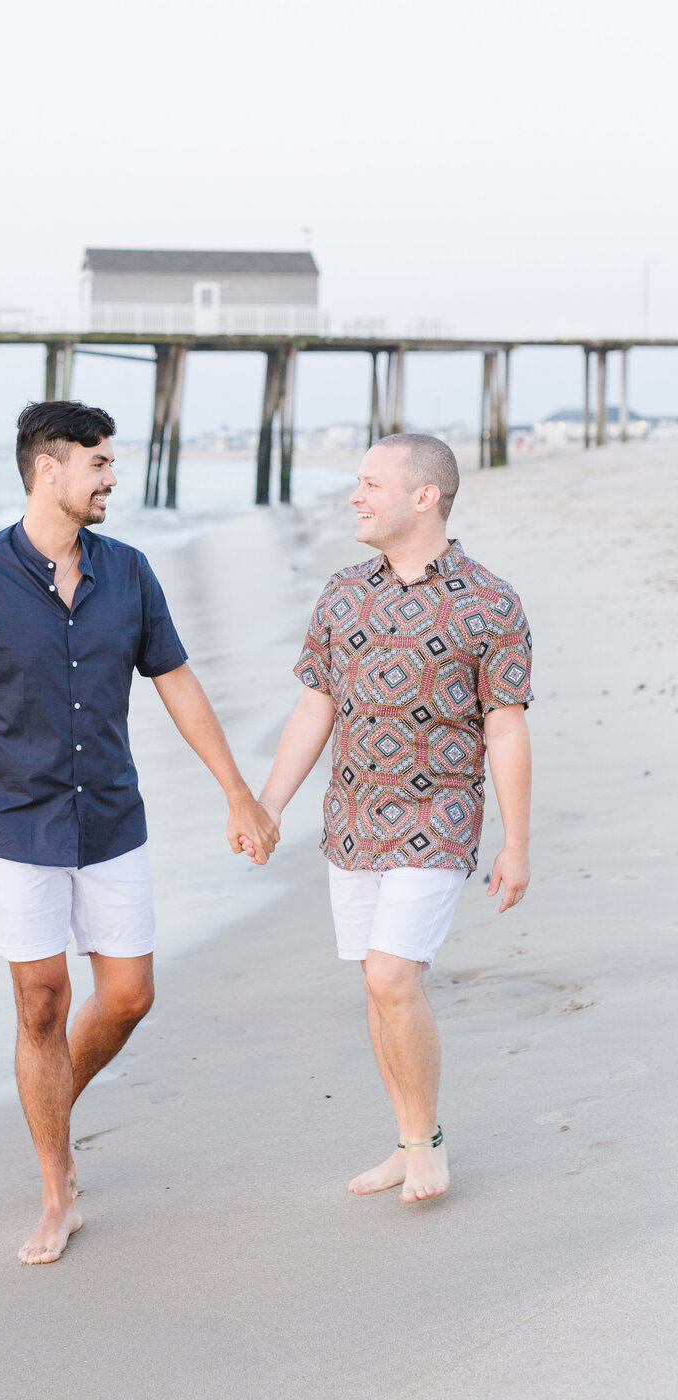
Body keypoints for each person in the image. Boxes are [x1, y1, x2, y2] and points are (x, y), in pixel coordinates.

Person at [0, 400, 277, 1264]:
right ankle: (57, 1188)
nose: (113, 476)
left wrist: (239, 791)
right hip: (17, 826)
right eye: (99, 464)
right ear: (50, 470)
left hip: (112, 815)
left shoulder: (130, 572)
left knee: (128, 998)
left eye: (110, 462)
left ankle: (47, 1106)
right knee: (41, 1001)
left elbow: (178, 682)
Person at [249, 433, 532, 1204]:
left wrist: (516, 843)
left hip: (439, 815)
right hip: (351, 818)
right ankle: (408, 1141)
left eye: (371, 483)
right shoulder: (344, 591)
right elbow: (317, 704)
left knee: (392, 974)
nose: (356, 496)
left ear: (424, 497)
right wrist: (269, 804)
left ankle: (426, 1142)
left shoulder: (490, 600)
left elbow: (505, 725)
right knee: (376, 988)